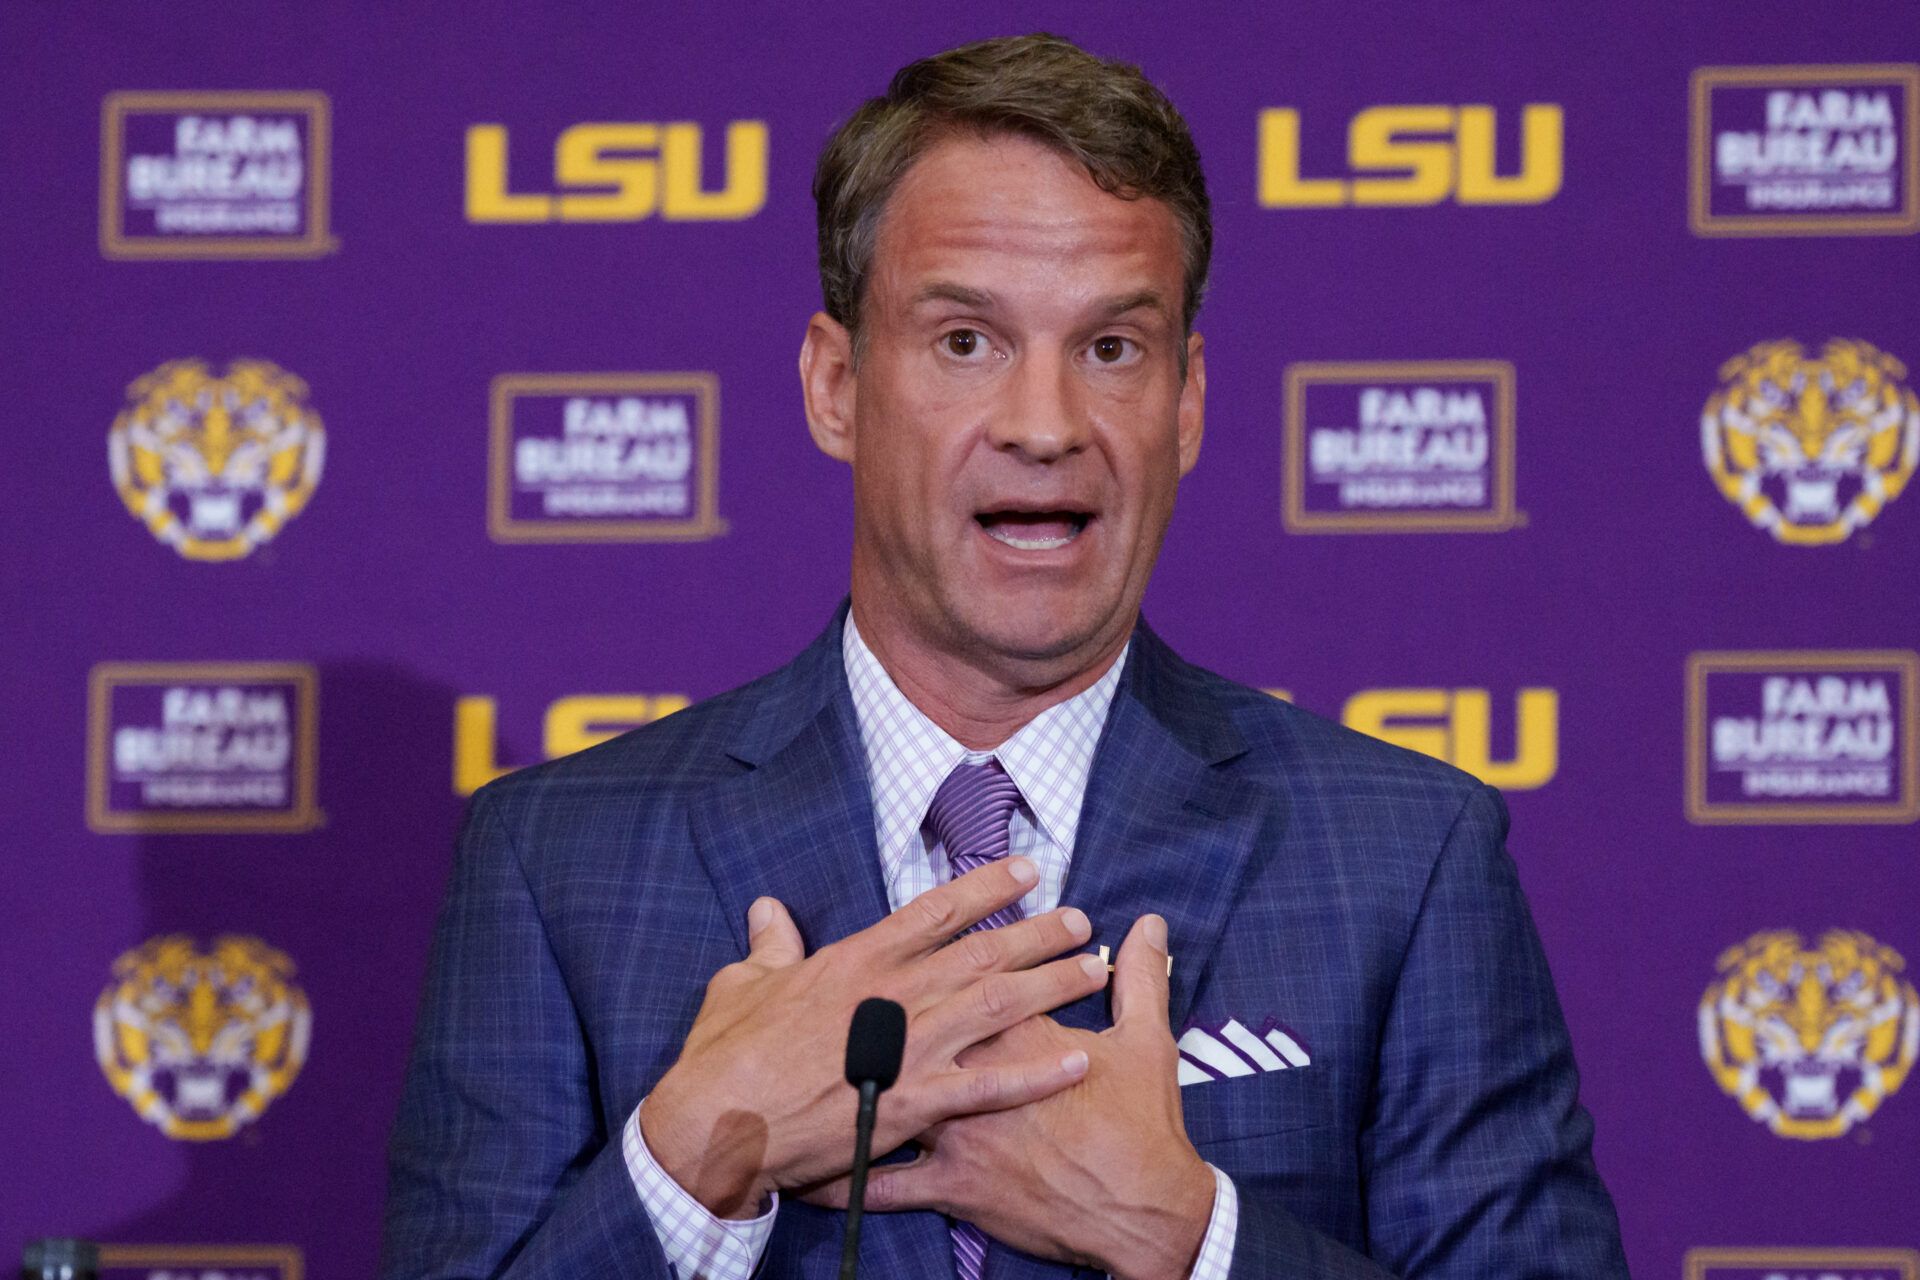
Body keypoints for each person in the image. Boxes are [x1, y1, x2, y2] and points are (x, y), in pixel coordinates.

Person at [381, 34, 1630, 1280]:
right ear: (835, 385)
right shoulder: (556, 861)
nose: (1046, 425)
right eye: (967, 341)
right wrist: (693, 1159)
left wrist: (1192, 1238)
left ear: (1186, 402)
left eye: (1111, 348)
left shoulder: (1407, 857)